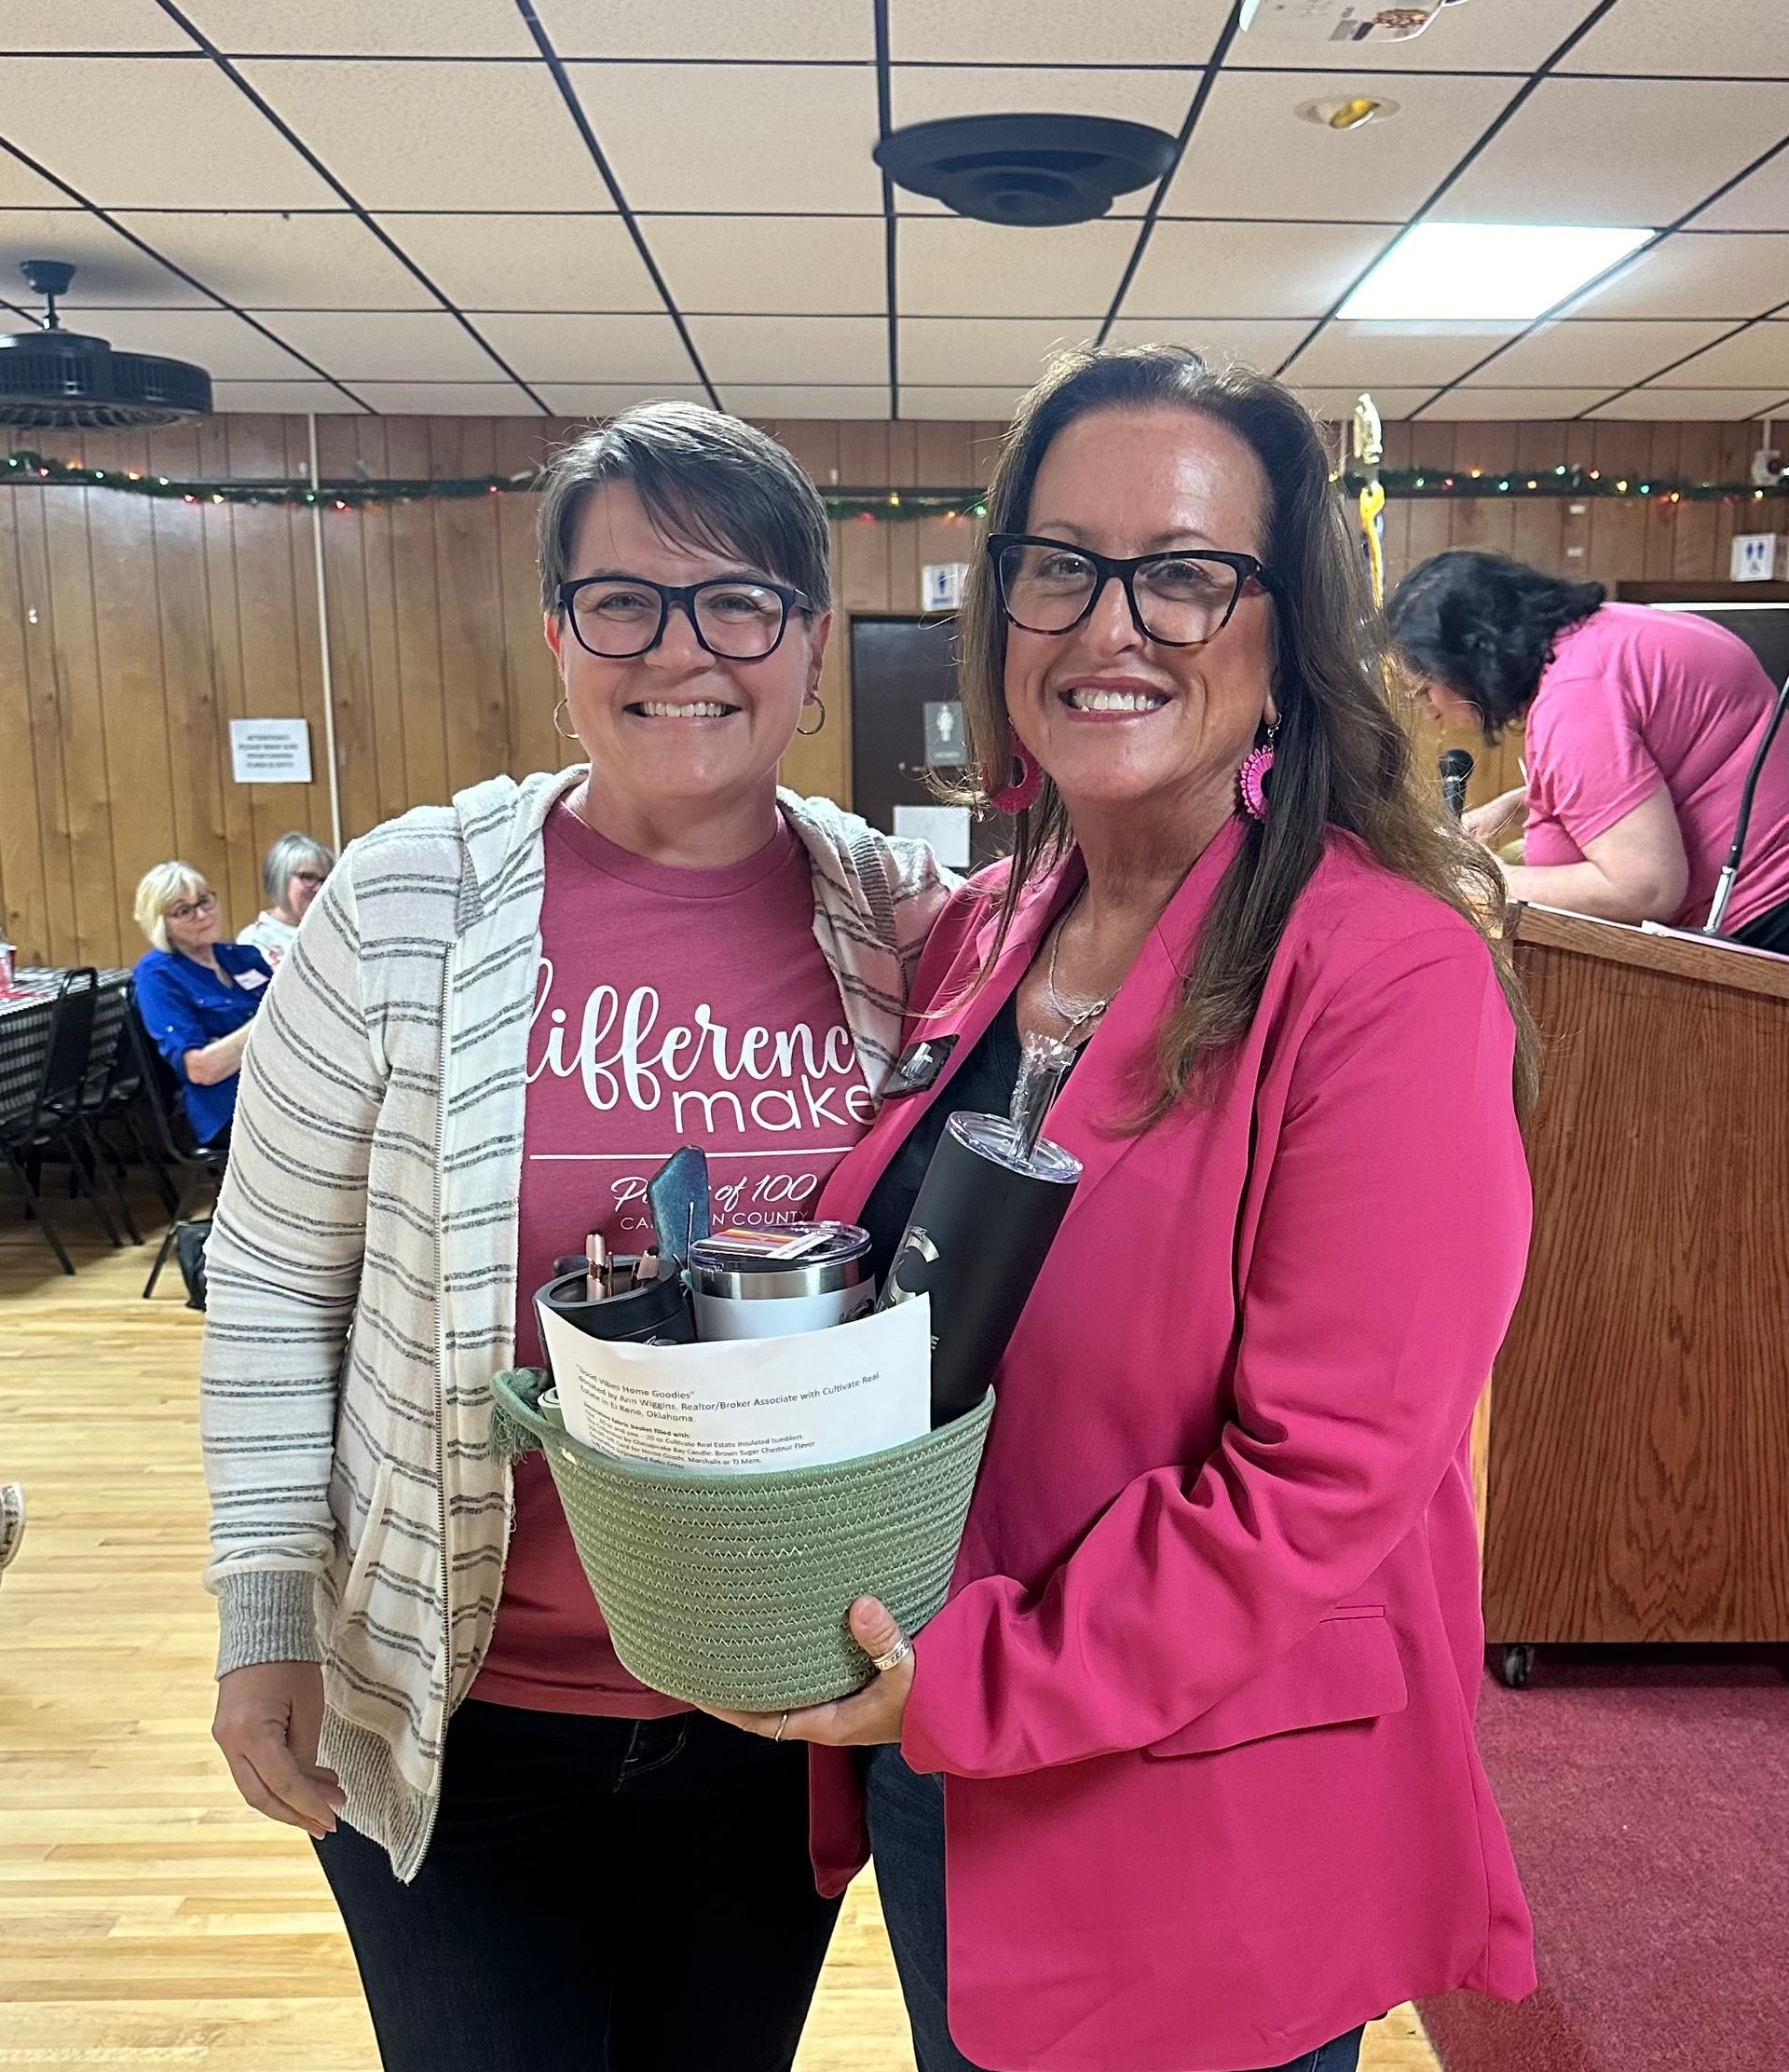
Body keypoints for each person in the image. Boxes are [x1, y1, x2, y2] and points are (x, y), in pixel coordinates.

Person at [712, 348, 1542, 2072]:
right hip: (944, 1755)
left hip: (1203, 1812)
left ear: (1285, 630)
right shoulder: (990, 925)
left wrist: (971, 1675)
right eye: (1060, 565)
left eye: (1184, 573)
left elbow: (1321, 1482)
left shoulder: (1386, 973)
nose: (1112, 623)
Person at [197, 402, 954, 2072]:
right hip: (461, 1703)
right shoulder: (406, 902)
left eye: (738, 601)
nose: (682, 649)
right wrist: (265, 1614)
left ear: (812, 642)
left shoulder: (904, 923)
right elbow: (269, 1282)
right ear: (558, 636)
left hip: (779, 1693)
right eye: (623, 602)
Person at [1387, 551, 1789, 949]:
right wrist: (1516, 805)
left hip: (1762, 926)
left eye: (1425, 692)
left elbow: (1646, 887)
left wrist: (1487, 881)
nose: (1431, 714)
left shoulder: (1576, 698)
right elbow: (1642, 777)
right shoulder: (1607, 631)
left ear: (1472, 661)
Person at [132, 862, 271, 1150]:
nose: (202, 914)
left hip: (285, 1081)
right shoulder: (157, 974)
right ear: (161, 924)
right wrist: (270, 1018)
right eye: (184, 911)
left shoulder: (243, 957)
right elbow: (202, 1069)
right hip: (229, 1106)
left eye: (204, 901)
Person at [237, 830, 335, 967]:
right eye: (308, 878)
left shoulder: (334, 930)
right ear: (281, 878)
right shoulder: (255, 941)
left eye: (325, 880)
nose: (319, 888)